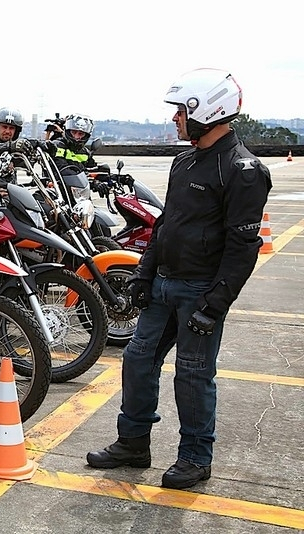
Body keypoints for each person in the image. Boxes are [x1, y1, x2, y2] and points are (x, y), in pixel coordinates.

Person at [86, 68, 272, 489]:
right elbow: (165, 225)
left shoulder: (242, 170)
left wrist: (215, 304)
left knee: (192, 375)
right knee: (136, 361)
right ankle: (133, 443)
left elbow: (243, 248)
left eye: (179, 111)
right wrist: (143, 274)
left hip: (200, 292)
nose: (175, 119)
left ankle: (195, 458)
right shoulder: (185, 161)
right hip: (164, 285)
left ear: (205, 110)